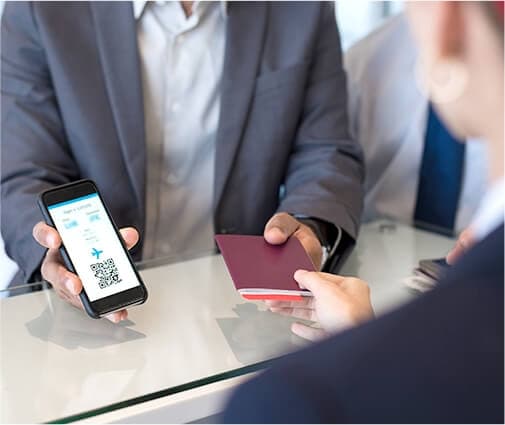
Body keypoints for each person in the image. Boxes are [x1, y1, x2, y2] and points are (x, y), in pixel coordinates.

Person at [224, 1, 504, 422]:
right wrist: (364, 336)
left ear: (448, 19)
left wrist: (364, 354)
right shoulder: (366, 62)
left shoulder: (296, 401)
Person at [1, 2, 363, 321]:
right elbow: (24, 173)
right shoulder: (40, 7)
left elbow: (326, 151)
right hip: (87, 317)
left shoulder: (304, 8)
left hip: (242, 313)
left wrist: (310, 227)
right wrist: (54, 254)